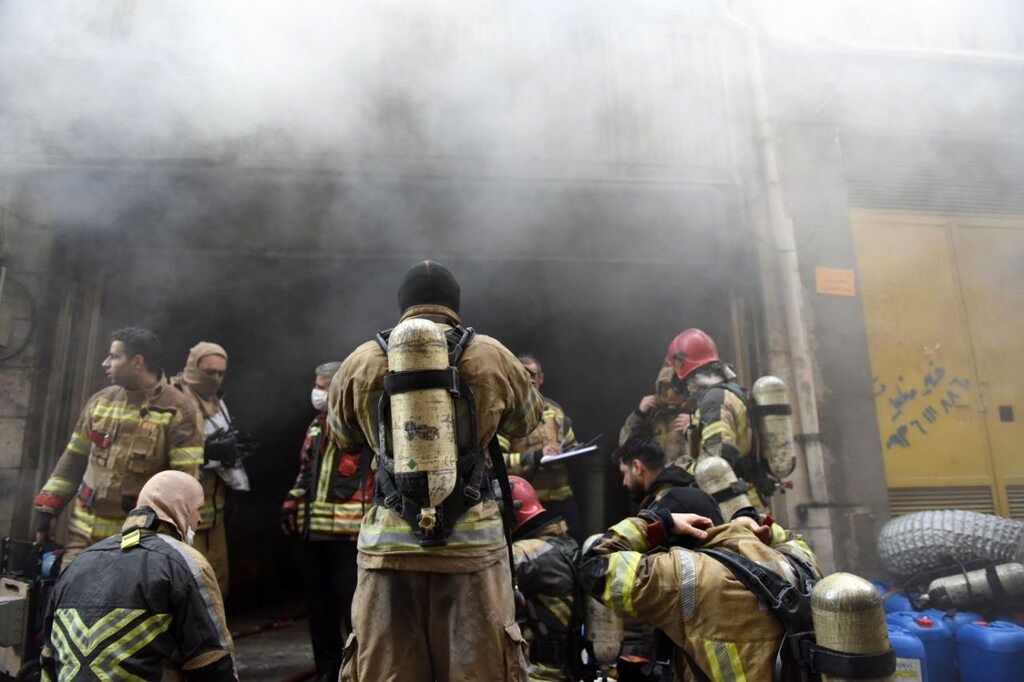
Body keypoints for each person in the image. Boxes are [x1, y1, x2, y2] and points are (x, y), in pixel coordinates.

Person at [327, 260, 543, 681]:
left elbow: (342, 439)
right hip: (472, 552)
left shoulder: (362, 360)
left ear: (402, 306)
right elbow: (525, 424)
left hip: (387, 553)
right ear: (455, 306)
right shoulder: (491, 354)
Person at [578, 504, 819, 681]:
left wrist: (659, 521)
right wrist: (749, 519)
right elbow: (790, 538)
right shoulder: (797, 563)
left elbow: (595, 567)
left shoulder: (685, 574)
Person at [41, 470, 237, 681]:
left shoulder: (76, 565)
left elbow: (48, 661)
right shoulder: (184, 563)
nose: (199, 519)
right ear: (180, 507)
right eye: (198, 509)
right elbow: (212, 663)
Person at [33, 327, 204, 566]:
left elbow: (184, 483)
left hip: (135, 542)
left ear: (137, 362)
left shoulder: (179, 410)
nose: (105, 363)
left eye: (113, 356)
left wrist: (170, 543)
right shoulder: (101, 401)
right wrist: (48, 510)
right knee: (67, 597)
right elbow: (73, 459)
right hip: (83, 538)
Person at [281, 361, 371, 682]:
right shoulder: (316, 426)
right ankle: (327, 673)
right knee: (320, 612)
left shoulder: (364, 426)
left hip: (349, 538)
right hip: (314, 536)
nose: (318, 393)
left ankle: (359, 673)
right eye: (316, 386)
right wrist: (292, 502)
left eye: (324, 387)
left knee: (354, 612)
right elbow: (306, 471)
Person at [171, 341, 249, 597]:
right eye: (209, 372)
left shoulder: (217, 403)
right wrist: (206, 453)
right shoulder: (174, 400)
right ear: (193, 367)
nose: (215, 379)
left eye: (220, 373)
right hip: (184, 518)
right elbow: (163, 456)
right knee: (188, 585)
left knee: (216, 584)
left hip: (213, 515)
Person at [665, 328, 769, 513]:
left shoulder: (713, 400)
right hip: (743, 499)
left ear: (682, 367)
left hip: (734, 505)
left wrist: (682, 470)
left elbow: (718, 458)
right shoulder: (729, 392)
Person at [500, 354, 585, 542]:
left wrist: (574, 451)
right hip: (530, 506)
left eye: (533, 375)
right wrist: (536, 456)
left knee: (576, 547)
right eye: (524, 375)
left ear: (541, 378)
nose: (530, 380)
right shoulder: (508, 414)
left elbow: (571, 444)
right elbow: (496, 462)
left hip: (563, 500)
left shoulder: (556, 410)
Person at [508, 476, 580, 682]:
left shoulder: (532, 553)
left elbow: (489, 567)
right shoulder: (562, 542)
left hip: (542, 674)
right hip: (566, 669)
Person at [618, 366, 691, 469]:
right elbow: (625, 444)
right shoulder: (652, 413)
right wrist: (639, 414)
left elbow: (712, 446)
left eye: (674, 387)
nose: (670, 393)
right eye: (665, 388)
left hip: (686, 479)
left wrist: (695, 423)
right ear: (659, 388)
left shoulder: (694, 411)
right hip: (658, 479)